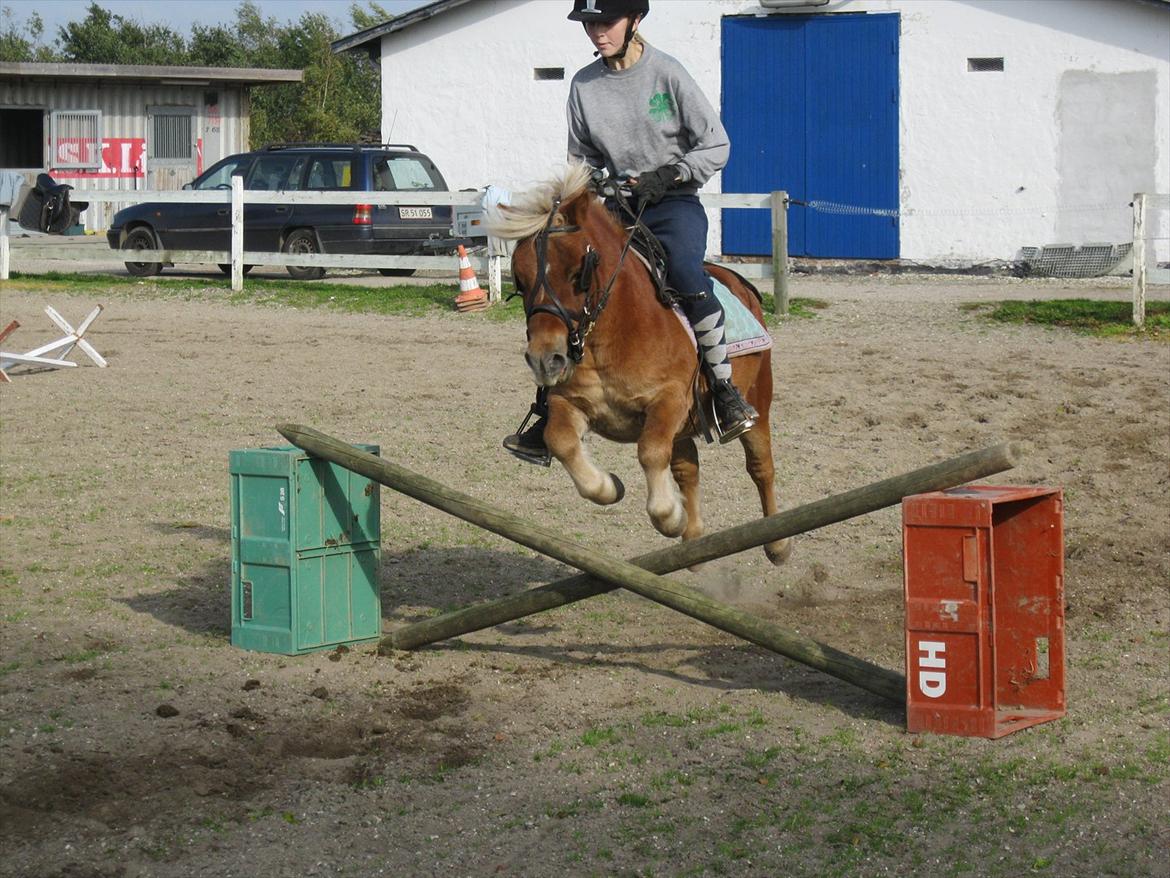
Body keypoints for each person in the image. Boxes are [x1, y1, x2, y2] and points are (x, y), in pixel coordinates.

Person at [504, 0, 758, 466]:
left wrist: (672, 174)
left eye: (607, 22)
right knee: (571, 284)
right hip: (615, 210)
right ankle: (547, 409)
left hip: (672, 204)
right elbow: (581, 160)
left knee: (685, 272)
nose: (598, 32)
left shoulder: (668, 74)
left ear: (635, 21)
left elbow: (716, 144)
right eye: (590, 24)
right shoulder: (583, 85)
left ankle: (724, 391)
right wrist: (589, 187)